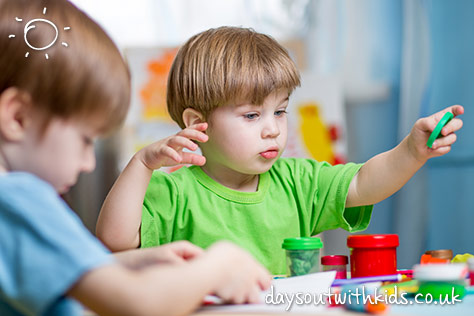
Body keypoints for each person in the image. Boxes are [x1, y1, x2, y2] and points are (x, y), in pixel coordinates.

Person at [96, 26, 464, 275]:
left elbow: (366, 183)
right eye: (252, 115)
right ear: (196, 123)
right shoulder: (173, 190)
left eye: (281, 111)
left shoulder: (298, 180)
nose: (273, 128)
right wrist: (142, 164)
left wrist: (412, 151)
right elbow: (114, 240)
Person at [0, 2, 271, 316]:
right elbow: (141, 305)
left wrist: (133, 261)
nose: (88, 163)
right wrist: (219, 264)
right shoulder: (19, 199)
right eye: (85, 140)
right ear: (18, 117)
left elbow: (57, 272)